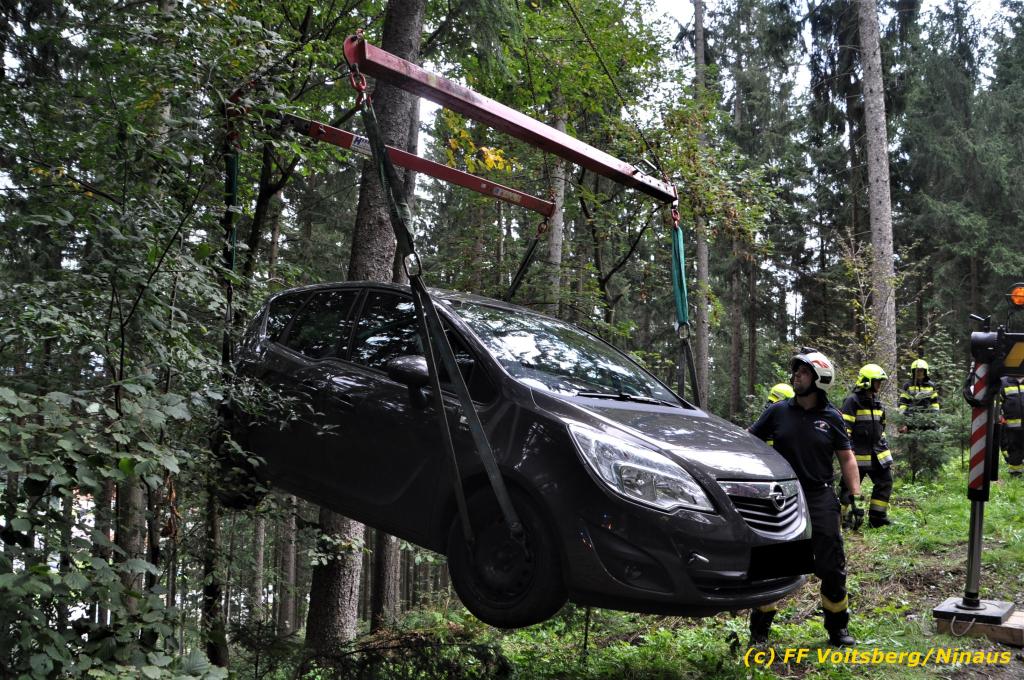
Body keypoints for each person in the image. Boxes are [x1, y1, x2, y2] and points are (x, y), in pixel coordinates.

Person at [747, 348, 861, 648]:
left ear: (819, 379)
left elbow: (847, 458)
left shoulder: (832, 416)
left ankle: (837, 629)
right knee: (772, 565)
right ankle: (759, 633)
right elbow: (749, 441)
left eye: (804, 372)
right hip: (782, 498)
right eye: (796, 371)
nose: (796, 376)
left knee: (832, 566)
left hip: (819, 496)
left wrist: (855, 496)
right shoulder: (778, 411)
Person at [839, 364, 894, 528]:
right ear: (867, 381)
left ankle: (877, 519)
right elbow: (845, 429)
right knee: (848, 488)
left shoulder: (877, 403)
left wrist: (883, 445)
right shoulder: (852, 402)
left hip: (877, 455)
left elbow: (881, 428)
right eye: (877, 381)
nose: (879, 384)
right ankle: (845, 520)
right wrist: (848, 453)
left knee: (885, 482)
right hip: (857, 456)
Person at [1001, 375, 1023, 476]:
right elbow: (996, 402)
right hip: (1011, 427)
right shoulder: (1003, 382)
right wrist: (999, 416)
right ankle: (1016, 473)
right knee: (1014, 450)